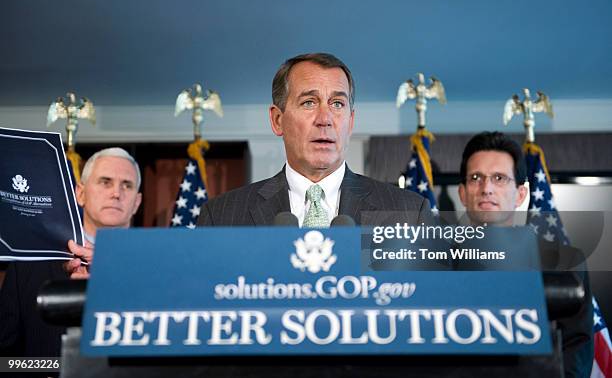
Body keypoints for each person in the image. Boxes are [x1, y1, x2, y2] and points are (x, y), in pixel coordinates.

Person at [197, 53, 432, 227]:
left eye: (337, 104)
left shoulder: (409, 213)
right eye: (309, 102)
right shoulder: (221, 217)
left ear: (350, 122)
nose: (325, 119)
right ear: (278, 120)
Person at [458, 131, 593, 378]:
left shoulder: (565, 262)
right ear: (463, 193)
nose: (486, 188)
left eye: (499, 178)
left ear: (520, 194)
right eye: (476, 177)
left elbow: (576, 351)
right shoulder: (434, 261)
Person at [0, 147, 142, 359]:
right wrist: (48, 370)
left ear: (136, 202)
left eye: (127, 185)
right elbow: (5, 360)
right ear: (80, 193)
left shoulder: (156, 268)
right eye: (105, 182)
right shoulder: (29, 265)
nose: (116, 193)